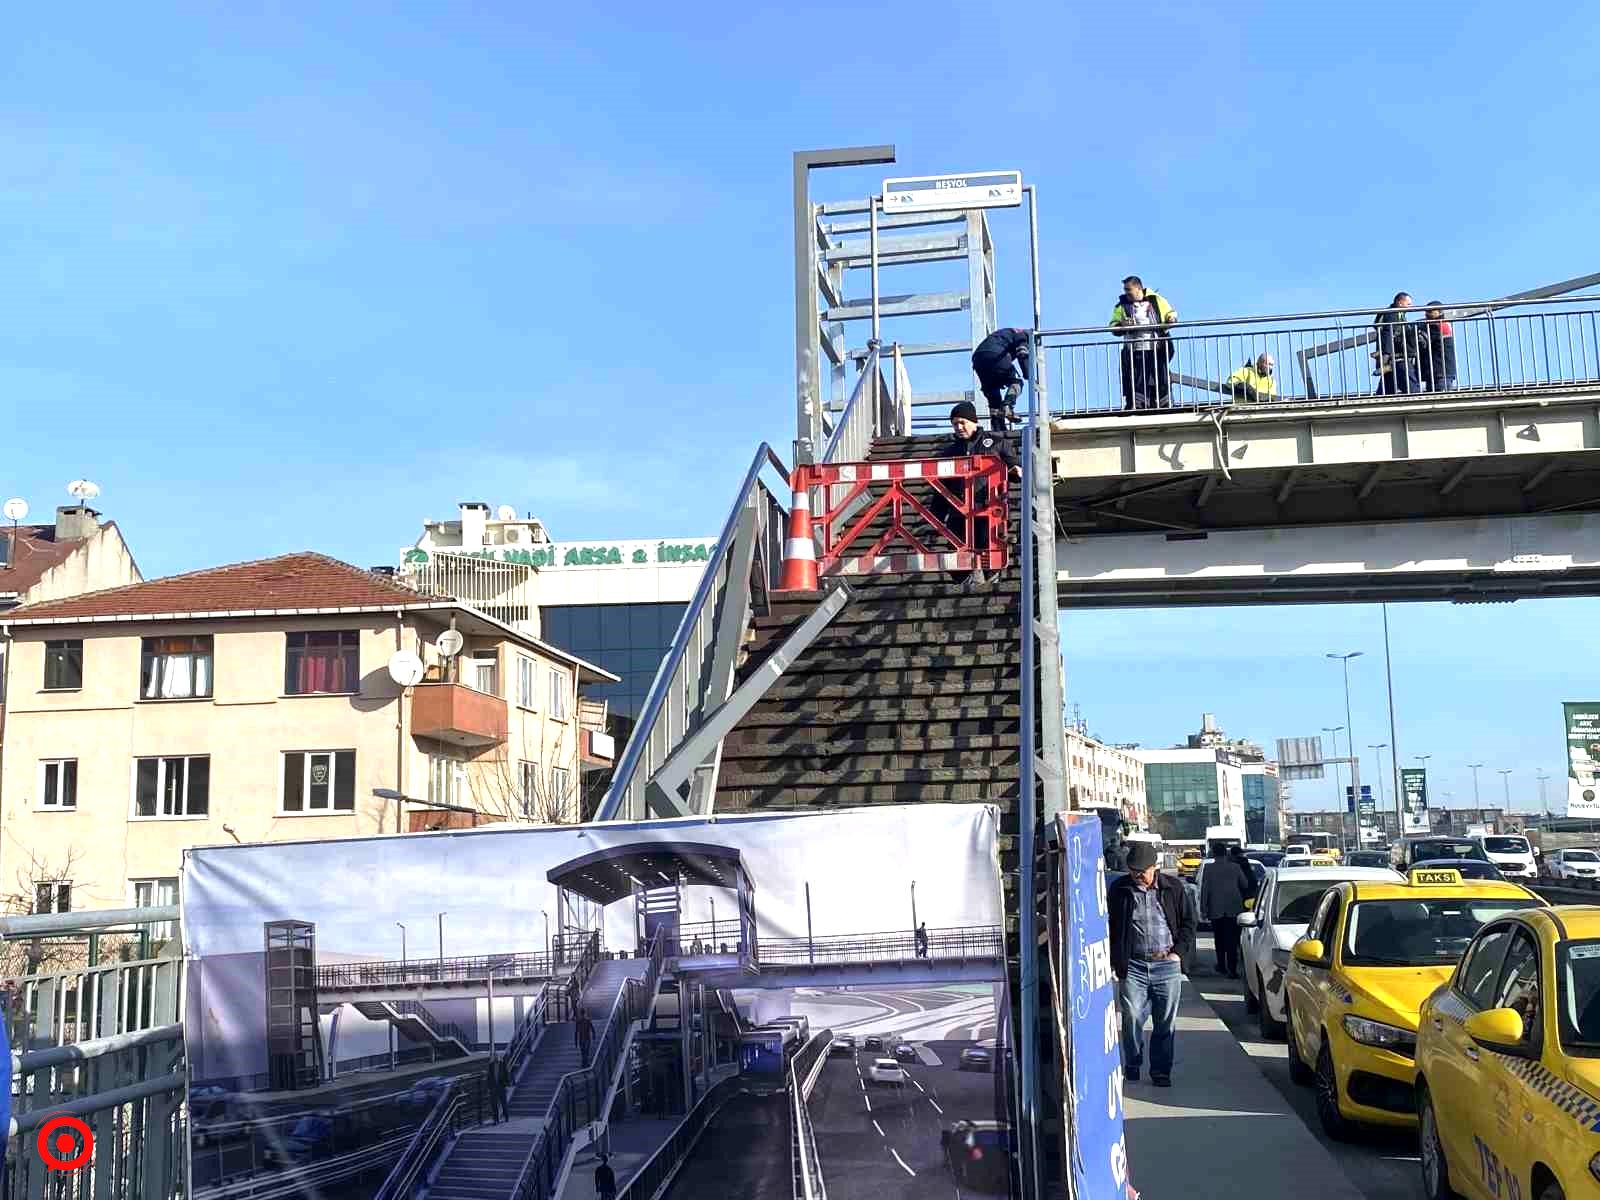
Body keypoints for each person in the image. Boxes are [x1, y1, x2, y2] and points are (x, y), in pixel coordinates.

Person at [1108, 840, 1194, 1087]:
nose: (1137, 876)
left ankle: (1160, 1071)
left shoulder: (1173, 888)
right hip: (1133, 965)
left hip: (1166, 965)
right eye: (1133, 871)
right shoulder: (1120, 890)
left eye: (1142, 872)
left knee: (1164, 1021)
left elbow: (1189, 923)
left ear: (1154, 867)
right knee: (1132, 1015)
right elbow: (1111, 926)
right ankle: (1133, 1062)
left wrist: (1178, 953)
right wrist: (1117, 960)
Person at [934, 401, 1022, 592]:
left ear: (973, 421)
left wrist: (1015, 471)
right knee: (957, 557)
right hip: (959, 514)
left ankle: (991, 588)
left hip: (989, 509)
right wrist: (935, 518)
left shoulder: (997, 443)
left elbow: (1015, 468)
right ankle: (967, 588)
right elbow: (941, 489)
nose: (958, 427)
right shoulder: (948, 453)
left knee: (989, 551)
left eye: (962, 422)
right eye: (955, 424)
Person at [1109, 277, 1178, 411]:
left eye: (1129, 290)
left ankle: (1164, 404)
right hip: (1135, 349)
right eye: (1125, 290)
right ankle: (1138, 405)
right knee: (1137, 379)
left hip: (1157, 347)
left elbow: (1170, 313)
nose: (1126, 293)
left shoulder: (1156, 300)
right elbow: (1113, 326)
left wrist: (1171, 318)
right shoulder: (1121, 306)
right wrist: (1121, 324)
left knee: (1160, 377)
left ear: (1138, 288)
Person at [1200, 845, 1252, 979]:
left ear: (1213, 854)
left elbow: (1205, 890)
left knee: (1219, 939)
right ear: (1226, 854)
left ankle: (1221, 966)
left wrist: (1203, 909)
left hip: (1215, 909)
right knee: (1232, 940)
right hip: (1234, 908)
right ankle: (1232, 969)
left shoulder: (1209, 868)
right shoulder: (1235, 867)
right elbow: (1245, 884)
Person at [970, 327, 1031, 431]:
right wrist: (1028, 375)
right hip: (995, 354)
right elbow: (1022, 353)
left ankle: (998, 428)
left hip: (978, 359)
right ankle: (1008, 405)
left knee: (993, 392)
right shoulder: (1023, 335)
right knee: (1016, 382)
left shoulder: (1006, 333)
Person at [1374, 292, 1420, 395]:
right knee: (1413, 390)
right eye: (1408, 304)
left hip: (1391, 359)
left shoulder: (1395, 314)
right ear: (1400, 303)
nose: (1410, 307)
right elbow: (1388, 334)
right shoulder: (1392, 314)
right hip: (1396, 357)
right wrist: (1386, 355)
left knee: (1386, 391)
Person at [1420, 301, 1457, 392]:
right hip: (1437, 372)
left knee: (1440, 399)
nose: (1426, 314)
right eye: (1426, 311)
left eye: (1430, 311)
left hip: (1441, 372)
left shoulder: (1439, 325)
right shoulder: (1441, 324)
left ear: (1439, 312)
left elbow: (1423, 341)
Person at [488, 1055, 510, 1123]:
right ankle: (496, 1119)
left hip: (501, 1086)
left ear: (499, 1057)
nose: (496, 1058)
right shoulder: (491, 1065)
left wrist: (506, 1084)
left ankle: (506, 1117)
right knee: (494, 1104)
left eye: (497, 1056)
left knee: (504, 1103)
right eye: (495, 1057)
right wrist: (489, 1087)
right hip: (493, 1087)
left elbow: (506, 1074)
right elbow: (489, 1076)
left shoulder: (502, 1064)